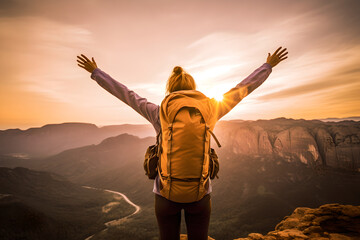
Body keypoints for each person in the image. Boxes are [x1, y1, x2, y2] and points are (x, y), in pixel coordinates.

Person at [77, 47, 288, 240]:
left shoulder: (160, 111)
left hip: (166, 197)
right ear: (193, 88)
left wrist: (96, 72)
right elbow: (242, 89)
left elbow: (127, 95)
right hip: (200, 197)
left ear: (171, 88)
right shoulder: (211, 109)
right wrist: (267, 66)